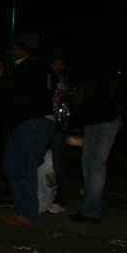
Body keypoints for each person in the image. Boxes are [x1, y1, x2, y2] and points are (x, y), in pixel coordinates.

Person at [0, 33, 54, 226]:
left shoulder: (29, 68)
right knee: (10, 165)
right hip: (25, 121)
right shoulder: (25, 68)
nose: (10, 51)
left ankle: (28, 214)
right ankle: (23, 210)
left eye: (14, 48)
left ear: (22, 49)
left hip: (33, 120)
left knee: (24, 167)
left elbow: (10, 88)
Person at [66, 42, 121, 224]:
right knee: (97, 165)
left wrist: (66, 96)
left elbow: (82, 98)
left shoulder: (89, 70)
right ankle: (94, 205)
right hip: (110, 117)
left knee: (92, 166)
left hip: (99, 119)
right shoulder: (107, 67)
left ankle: (91, 210)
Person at [46, 49, 72, 214]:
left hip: (59, 125)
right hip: (45, 121)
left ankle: (60, 199)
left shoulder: (67, 80)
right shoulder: (46, 78)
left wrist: (66, 95)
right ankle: (43, 193)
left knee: (58, 161)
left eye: (61, 64)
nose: (59, 67)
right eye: (56, 64)